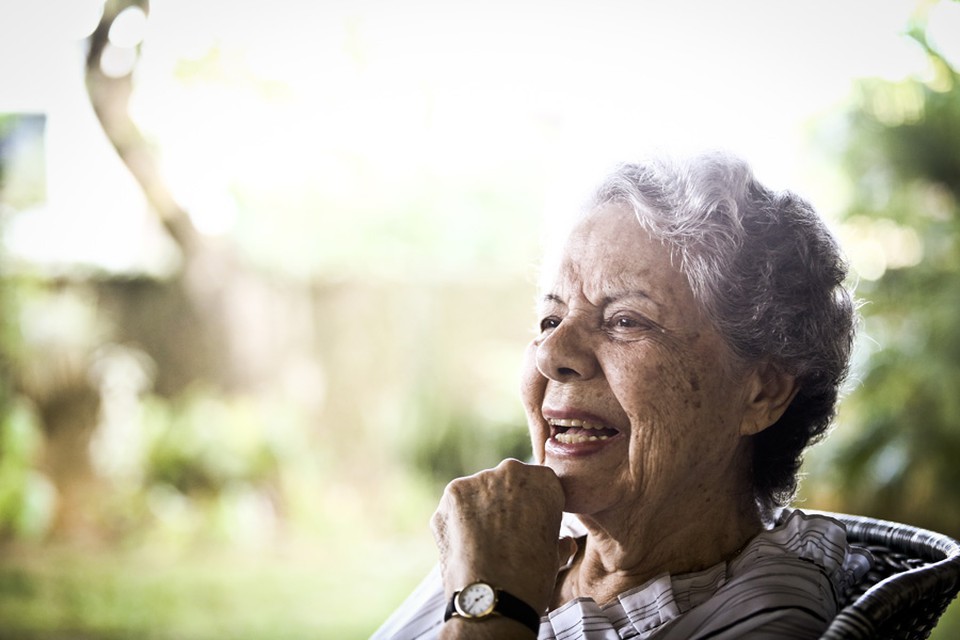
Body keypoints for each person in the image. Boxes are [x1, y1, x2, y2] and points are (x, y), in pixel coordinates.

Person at [372, 151, 872, 639]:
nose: (552, 354)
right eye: (550, 319)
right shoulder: (516, 546)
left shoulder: (763, 619)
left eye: (624, 321)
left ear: (763, 392)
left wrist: (489, 602)